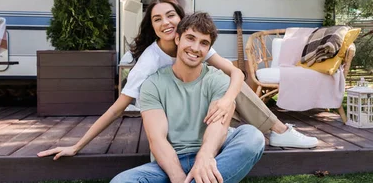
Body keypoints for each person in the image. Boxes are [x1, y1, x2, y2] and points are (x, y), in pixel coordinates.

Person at [37, 0, 316, 161]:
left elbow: (236, 73)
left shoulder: (193, 42)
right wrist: (77, 145)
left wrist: (228, 99)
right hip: (172, 130)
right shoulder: (149, 61)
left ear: (181, 21)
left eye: (170, 15)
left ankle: (277, 131)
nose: (165, 22)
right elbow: (117, 108)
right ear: (153, 27)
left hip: (205, 113)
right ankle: (266, 131)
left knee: (223, 78)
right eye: (157, 19)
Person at [111, 12, 264, 183]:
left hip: (213, 157)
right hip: (168, 163)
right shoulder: (153, 84)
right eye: (190, 38)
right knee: (122, 181)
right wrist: (177, 177)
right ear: (177, 39)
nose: (195, 48)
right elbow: (157, 139)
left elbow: (218, 127)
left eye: (204, 43)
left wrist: (204, 157)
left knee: (253, 137)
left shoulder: (218, 80)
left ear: (208, 50)